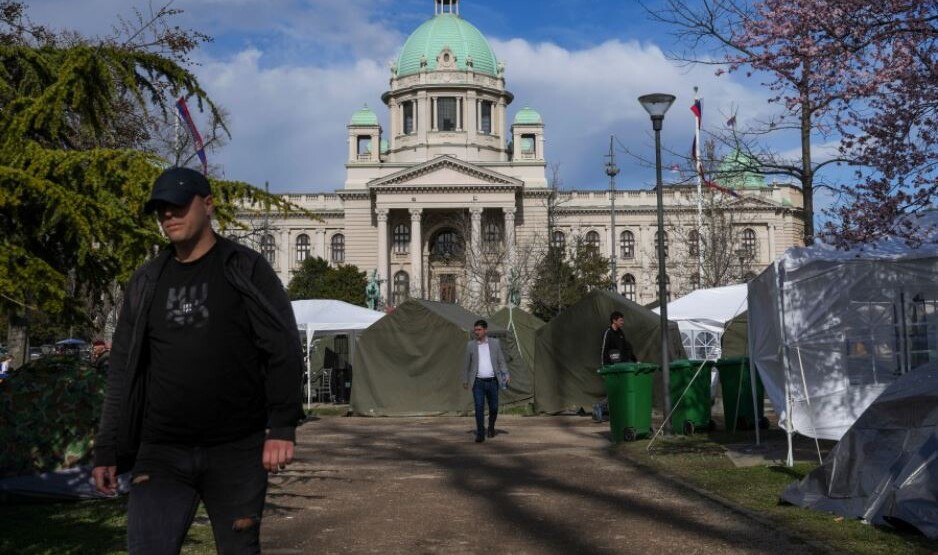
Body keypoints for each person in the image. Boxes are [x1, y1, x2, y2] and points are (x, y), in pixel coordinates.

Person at [92, 166, 304, 555]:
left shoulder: (245, 268)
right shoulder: (147, 281)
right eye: (160, 209)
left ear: (208, 205)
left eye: (177, 205)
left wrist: (281, 427)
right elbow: (122, 369)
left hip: (236, 450)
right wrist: (106, 449)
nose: (168, 215)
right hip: (161, 451)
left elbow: (283, 348)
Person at [462, 319, 510, 443]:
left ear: (485, 330)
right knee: (479, 407)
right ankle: (480, 433)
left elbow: (501, 360)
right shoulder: (470, 345)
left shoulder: (495, 343)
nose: (476, 332)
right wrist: (465, 380)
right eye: (475, 330)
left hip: (493, 381)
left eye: (479, 330)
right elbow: (466, 364)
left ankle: (491, 427)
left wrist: (506, 373)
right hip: (478, 382)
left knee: (494, 407)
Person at [595, 311, 637, 422]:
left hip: (622, 367)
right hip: (611, 368)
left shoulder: (621, 333)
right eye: (621, 320)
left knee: (621, 390)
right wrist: (604, 367)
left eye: (623, 320)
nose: (622, 322)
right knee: (615, 390)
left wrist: (635, 361)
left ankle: (615, 411)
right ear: (614, 321)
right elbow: (604, 350)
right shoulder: (608, 333)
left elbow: (626, 349)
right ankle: (600, 406)